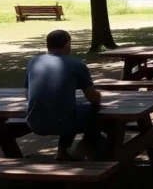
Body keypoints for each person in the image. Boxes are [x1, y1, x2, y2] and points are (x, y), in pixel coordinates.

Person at [24, 30, 102, 161]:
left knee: (71, 108)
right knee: (93, 111)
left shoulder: (34, 62)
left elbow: (27, 95)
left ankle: (64, 152)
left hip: (34, 122)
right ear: (67, 45)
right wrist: (99, 97)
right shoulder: (77, 64)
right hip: (64, 122)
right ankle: (89, 148)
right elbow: (92, 97)